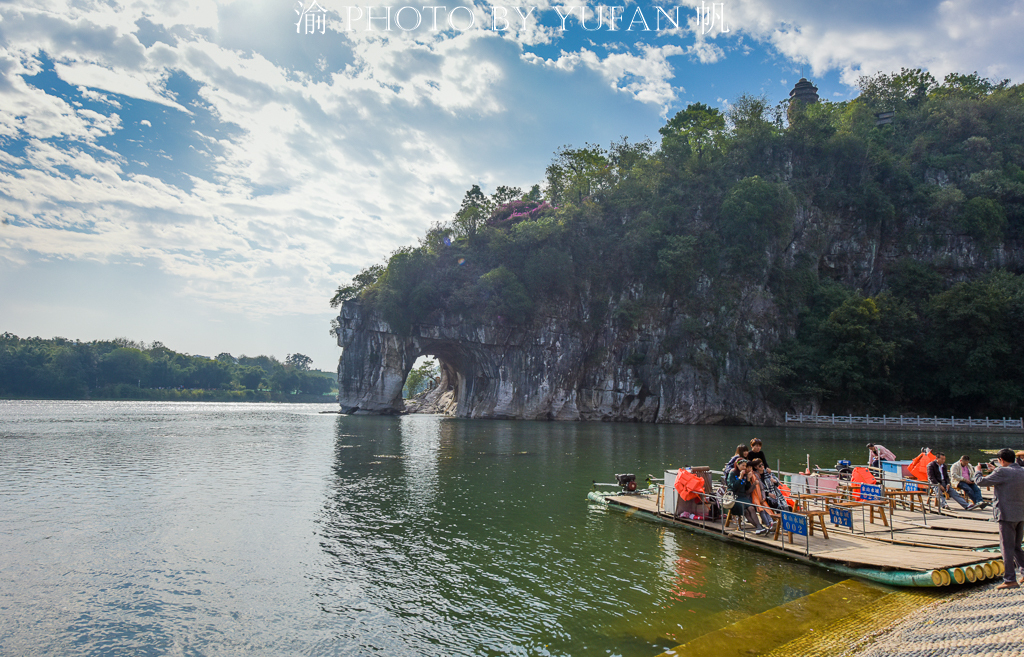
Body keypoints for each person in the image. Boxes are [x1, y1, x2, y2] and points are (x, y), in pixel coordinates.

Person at [973, 448, 1024, 589]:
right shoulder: (1021, 470)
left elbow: (980, 482)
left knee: (1006, 548)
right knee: (1016, 546)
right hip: (1020, 514)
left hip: (1006, 514)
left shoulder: (1001, 472)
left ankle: (1009, 580)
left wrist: (978, 470)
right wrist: (995, 470)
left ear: (1001, 460)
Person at [727, 459, 768, 535]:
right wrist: (740, 477)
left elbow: (746, 488)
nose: (744, 467)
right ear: (738, 465)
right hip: (734, 497)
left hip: (743, 496)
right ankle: (759, 527)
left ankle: (759, 527)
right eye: (742, 465)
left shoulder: (745, 474)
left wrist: (748, 479)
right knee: (746, 511)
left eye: (745, 466)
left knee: (751, 508)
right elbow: (733, 486)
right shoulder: (732, 473)